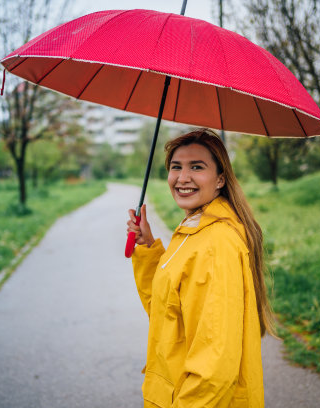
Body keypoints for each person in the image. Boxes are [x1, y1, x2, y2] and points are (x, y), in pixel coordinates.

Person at [127, 129, 275, 408]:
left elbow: (214, 364)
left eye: (197, 167)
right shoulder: (194, 229)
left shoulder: (215, 244)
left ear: (220, 179)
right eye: (176, 167)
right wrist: (148, 249)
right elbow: (169, 314)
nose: (183, 178)